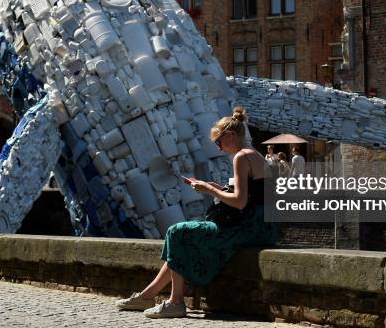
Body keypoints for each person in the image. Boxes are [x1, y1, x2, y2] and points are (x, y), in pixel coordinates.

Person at [116, 107, 279, 319]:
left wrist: (208, 189)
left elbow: (239, 203)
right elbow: (251, 197)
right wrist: (219, 188)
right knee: (181, 240)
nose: (219, 148)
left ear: (230, 135)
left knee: (176, 233)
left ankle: (175, 302)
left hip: (248, 227)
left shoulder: (241, 157)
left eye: (219, 142)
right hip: (262, 225)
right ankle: (148, 295)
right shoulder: (253, 154)